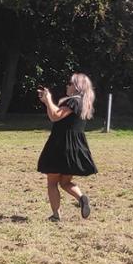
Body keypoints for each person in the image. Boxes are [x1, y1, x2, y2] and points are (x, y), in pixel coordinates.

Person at [36, 73, 98, 222]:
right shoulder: (82, 103)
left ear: (78, 87)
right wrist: (46, 102)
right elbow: (55, 114)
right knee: (64, 182)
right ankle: (82, 198)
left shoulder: (73, 102)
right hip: (73, 147)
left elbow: (55, 116)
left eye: (70, 83)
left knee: (52, 182)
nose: (67, 85)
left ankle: (56, 216)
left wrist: (49, 99)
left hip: (61, 145)